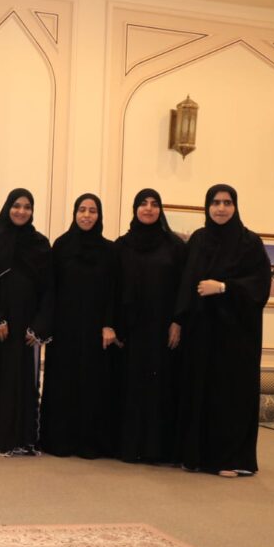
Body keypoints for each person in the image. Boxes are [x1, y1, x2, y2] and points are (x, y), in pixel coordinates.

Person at [176, 185, 270, 477]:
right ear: (207, 206)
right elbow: (185, 281)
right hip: (201, 331)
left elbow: (260, 285)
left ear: (235, 206)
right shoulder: (199, 240)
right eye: (215, 202)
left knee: (229, 395)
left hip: (236, 336)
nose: (220, 208)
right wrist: (178, 319)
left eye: (227, 203)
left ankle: (229, 459)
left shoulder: (249, 243)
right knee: (199, 391)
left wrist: (224, 287)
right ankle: (196, 457)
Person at [40, 194, 118, 459]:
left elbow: (112, 291)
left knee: (92, 384)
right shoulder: (61, 246)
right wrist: (48, 324)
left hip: (96, 329)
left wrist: (109, 324)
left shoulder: (109, 250)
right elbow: (51, 287)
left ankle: (89, 443)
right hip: (64, 327)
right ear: (74, 213)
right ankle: (60, 441)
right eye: (82, 210)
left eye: (92, 211)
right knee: (63, 383)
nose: (87, 215)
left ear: (99, 215)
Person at [0, 188, 53, 456]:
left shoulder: (40, 244)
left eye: (27, 207)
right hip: (2, 325)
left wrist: (39, 326)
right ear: (8, 207)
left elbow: (49, 290)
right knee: (0, 378)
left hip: (28, 327)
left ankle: (24, 437)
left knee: (26, 381)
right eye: (16, 206)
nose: (21, 211)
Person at [112, 189, 185, 464]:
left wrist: (178, 321)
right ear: (135, 209)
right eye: (143, 203)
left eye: (154, 204)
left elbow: (183, 287)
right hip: (130, 330)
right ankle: (129, 448)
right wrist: (114, 326)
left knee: (159, 388)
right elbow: (112, 289)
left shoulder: (175, 246)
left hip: (162, 330)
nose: (149, 208)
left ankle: (156, 450)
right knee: (130, 387)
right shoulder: (121, 246)